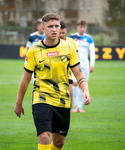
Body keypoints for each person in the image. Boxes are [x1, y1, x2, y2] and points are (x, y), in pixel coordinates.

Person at [14, 13, 91, 150]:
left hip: (62, 100)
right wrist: (18, 103)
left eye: (57, 26)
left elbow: (78, 74)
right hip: (41, 98)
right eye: (50, 26)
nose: (54, 29)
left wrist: (86, 90)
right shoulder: (34, 51)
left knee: (59, 142)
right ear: (43, 28)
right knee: (44, 137)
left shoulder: (69, 48)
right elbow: (26, 79)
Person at [68, 20, 95, 113]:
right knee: (74, 84)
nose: (82, 28)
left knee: (82, 86)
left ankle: (79, 106)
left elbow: (92, 52)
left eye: (84, 27)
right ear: (77, 27)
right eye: (80, 27)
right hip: (74, 65)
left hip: (85, 66)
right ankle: (75, 105)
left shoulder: (89, 38)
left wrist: (92, 64)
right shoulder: (72, 37)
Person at [59, 21, 79, 107]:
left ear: (66, 31)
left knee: (69, 103)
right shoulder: (52, 43)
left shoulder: (71, 42)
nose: (61, 35)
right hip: (55, 78)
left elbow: (76, 61)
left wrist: (75, 78)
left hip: (68, 77)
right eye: (60, 33)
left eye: (63, 33)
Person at [26, 18, 45, 83]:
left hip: (46, 61)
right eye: (41, 25)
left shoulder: (47, 36)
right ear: (37, 27)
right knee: (36, 82)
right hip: (35, 62)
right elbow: (28, 49)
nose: (42, 27)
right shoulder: (32, 36)